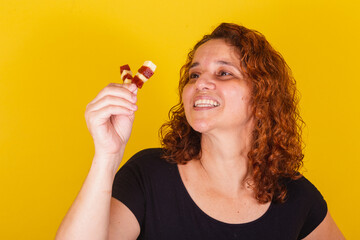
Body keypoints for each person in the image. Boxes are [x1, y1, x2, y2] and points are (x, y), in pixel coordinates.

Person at [56, 23, 345, 240]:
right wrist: (107, 156)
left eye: (223, 73)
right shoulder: (148, 175)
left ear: (262, 98)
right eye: (194, 75)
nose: (200, 83)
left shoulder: (296, 197)